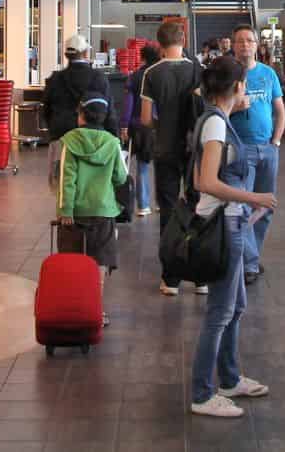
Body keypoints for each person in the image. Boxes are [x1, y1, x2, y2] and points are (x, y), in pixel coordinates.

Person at [189, 56, 279, 418]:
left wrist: (246, 208)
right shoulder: (215, 125)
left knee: (236, 306)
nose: (251, 95)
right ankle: (201, 393)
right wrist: (253, 198)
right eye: (246, 87)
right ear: (236, 87)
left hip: (233, 220)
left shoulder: (218, 121)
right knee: (220, 312)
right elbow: (207, 182)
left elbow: (201, 182)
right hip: (224, 227)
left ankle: (228, 378)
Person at [141, 20, 206, 296]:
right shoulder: (198, 70)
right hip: (195, 148)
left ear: (159, 44)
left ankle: (171, 279)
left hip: (165, 148)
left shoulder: (151, 73)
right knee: (198, 208)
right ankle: (201, 277)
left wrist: (162, 126)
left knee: (168, 211)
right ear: (183, 41)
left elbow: (145, 118)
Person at [56, 97, 128, 324]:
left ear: (81, 117)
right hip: (104, 210)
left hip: (76, 212)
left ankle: (74, 309)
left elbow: (66, 180)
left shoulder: (70, 141)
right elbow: (121, 177)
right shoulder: (112, 143)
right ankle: (96, 310)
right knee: (99, 261)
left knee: (72, 260)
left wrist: (65, 210)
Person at [228, 25, 284, 285]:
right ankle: (249, 262)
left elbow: (279, 109)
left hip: (268, 148)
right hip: (241, 149)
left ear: (256, 45)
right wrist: (236, 106)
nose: (245, 45)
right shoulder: (228, 73)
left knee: (265, 206)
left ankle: (251, 255)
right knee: (242, 205)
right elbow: (216, 109)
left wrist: (276, 141)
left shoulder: (268, 74)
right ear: (233, 45)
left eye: (249, 40)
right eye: (240, 41)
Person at [42, 34, 116, 186]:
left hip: (61, 136)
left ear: (66, 55)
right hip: (94, 139)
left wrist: (53, 131)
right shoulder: (98, 77)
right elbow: (108, 111)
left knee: (61, 182)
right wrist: (114, 137)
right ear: (85, 53)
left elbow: (46, 109)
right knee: (90, 183)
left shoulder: (55, 79)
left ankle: (65, 208)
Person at [121, 43, 161, 217]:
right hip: (160, 125)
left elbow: (128, 103)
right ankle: (161, 202)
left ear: (142, 57)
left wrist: (124, 125)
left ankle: (143, 205)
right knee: (161, 165)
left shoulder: (135, 76)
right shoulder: (161, 74)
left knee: (142, 166)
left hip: (139, 126)